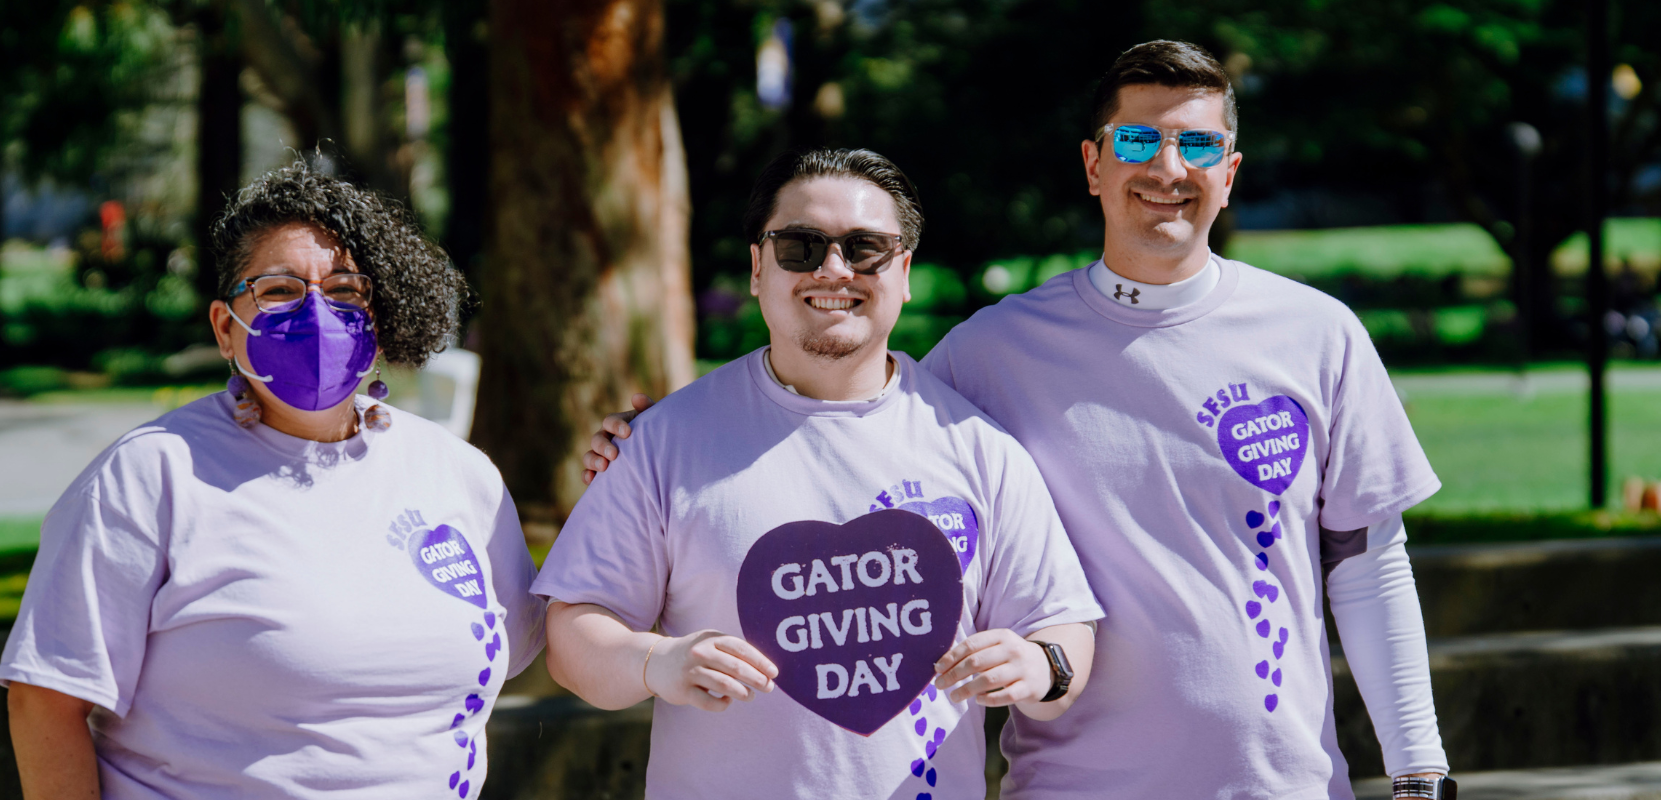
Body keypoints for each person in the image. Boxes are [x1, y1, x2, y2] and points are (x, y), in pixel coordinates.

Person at [585, 42, 1453, 799]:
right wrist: (662, 435)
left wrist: (1418, 769)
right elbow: (845, 414)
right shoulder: (992, 352)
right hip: (1071, 786)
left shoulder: (1319, 333)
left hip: (1286, 783)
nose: (1167, 167)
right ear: (1093, 164)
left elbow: (1370, 564)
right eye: (1139, 139)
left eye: (1198, 143)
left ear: (1231, 171)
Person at [537, 149, 1103, 799]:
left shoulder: (980, 448)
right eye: (801, 246)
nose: (834, 269)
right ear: (757, 267)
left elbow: (1063, 631)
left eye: (866, 248)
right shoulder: (663, 442)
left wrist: (1039, 665)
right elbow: (573, 635)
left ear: (906, 271)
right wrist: (654, 661)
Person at [0, 162, 542, 799]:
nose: (318, 311)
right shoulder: (151, 476)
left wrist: (628, 466)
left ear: (380, 312)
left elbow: (542, 638)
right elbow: (45, 702)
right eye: (280, 290)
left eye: (344, 289)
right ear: (226, 328)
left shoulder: (456, 473)